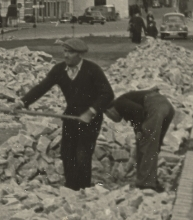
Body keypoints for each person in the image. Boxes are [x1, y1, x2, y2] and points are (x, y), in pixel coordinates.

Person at [15, 38, 114, 190]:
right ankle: (70, 187)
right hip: (71, 117)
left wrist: (91, 112)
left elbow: (107, 94)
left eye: (70, 52)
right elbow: (42, 88)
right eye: (65, 51)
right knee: (67, 153)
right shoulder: (59, 70)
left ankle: (84, 189)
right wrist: (22, 102)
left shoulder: (92, 70)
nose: (66, 55)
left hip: (91, 120)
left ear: (80, 55)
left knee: (82, 155)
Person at [104, 88, 175, 192]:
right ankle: (152, 180)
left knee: (146, 145)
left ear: (109, 109)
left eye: (109, 115)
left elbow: (138, 111)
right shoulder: (127, 105)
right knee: (153, 146)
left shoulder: (119, 103)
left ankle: (146, 184)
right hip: (167, 108)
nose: (111, 119)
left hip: (155, 107)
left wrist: (138, 131)